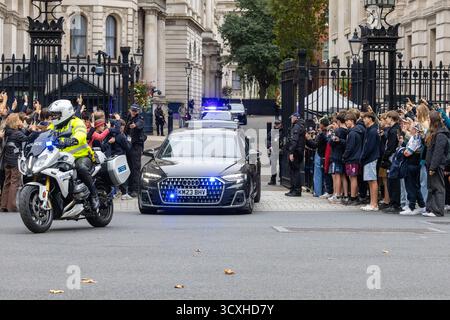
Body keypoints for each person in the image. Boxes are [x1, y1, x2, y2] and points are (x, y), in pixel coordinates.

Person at [47, 100, 99, 211]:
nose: (53, 117)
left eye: (56, 114)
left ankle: (94, 195)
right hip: (62, 158)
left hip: (81, 156)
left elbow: (81, 134)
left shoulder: (77, 122)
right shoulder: (53, 126)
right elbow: (45, 135)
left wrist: (72, 140)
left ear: (64, 113)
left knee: (81, 168)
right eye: (52, 114)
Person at [0, 114, 38, 212]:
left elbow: (23, 134)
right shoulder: (16, 133)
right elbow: (27, 139)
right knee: (14, 182)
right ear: (15, 122)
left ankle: (3, 205)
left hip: (6, 160)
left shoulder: (7, 132)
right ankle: (12, 206)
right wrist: (33, 131)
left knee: (7, 182)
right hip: (14, 159)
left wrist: (28, 130)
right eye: (18, 120)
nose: (20, 121)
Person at [423, 111, 450, 217]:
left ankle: (438, 210)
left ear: (433, 121)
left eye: (429, 119)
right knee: (431, 187)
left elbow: (438, 152)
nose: (428, 121)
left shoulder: (441, 134)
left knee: (438, 187)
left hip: (437, 165)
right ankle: (430, 208)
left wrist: (433, 167)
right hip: (431, 164)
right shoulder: (435, 133)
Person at [400, 123, 426, 216]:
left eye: (412, 128)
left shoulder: (416, 138)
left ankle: (411, 206)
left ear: (416, 130)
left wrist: (403, 151)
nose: (410, 129)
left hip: (412, 163)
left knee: (411, 186)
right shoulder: (414, 137)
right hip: (413, 163)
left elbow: (408, 153)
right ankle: (422, 205)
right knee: (415, 186)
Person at [360, 112, 381, 211]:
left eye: (365, 118)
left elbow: (370, 146)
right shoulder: (370, 130)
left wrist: (363, 156)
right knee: (370, 180)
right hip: (369, 158)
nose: (363, 120)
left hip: (371, 158)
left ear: (370, 119)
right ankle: (372, 203)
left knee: (372, 180)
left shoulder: (372, 131)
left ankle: (374, 204)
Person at [382, 111, 402, 213]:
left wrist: (385, 156)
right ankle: (393, 202)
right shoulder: (395, 129)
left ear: (391, 118)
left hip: (392, 156)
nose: (386, 120)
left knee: (393, 180)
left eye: (387, 118)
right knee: (391, 180)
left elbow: (391, 146)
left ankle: (395, 203)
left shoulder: (394, 130)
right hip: (392, 156)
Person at [343, 112, 364, 206]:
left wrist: (344, 156)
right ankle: (354, 196)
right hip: (356, 157)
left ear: (352, 121)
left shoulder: (352, 133)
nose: (346, 123)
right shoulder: (358, 131)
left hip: (352, 158)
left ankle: (353, 197)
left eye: (347, 121)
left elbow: (350, 147)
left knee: (353, 177)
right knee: (353, 177)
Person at [125, 104, 146, 198]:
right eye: (132, 110)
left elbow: (140, 124)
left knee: (135, 168)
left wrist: (135, 125)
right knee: (129, 167)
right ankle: (129, 189)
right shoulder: (129, 117)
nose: (133, 112)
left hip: (136, 146)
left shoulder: (139, 118)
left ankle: (135, 190)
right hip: (129, 145)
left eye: (135, 111)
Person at [306, 117, 329, 197]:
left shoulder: (322, 134)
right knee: (323, 175)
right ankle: (321, 191)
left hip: (319, 155)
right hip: (324, 155)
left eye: (320, 123)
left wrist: (308, 139)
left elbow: (315, 145)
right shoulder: (327, 133)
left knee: (318, 174)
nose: (319, 124)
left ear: (322, 124)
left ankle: (317, 192)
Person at [328, 112, 348, 204]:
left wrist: (332, 138)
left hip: (336, 155)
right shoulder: (347, 130)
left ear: (339, 121)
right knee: (343, 176)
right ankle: (346, 194)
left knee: (337, 175)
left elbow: (331, 143)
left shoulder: (338, 131)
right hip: (344, 155)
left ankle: (337, 194)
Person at [285, 112, 305, 197]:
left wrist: (291, 152)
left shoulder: (297, 126)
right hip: (298, 151)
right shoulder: (301, 126)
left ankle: (296, 190)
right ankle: (293, 189)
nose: (291, 119)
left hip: (296, 152)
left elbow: (294, 141)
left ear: (296, 117)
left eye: (292, 117)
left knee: (295, 171)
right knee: (294, 171)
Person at [267, 119, 283, 185]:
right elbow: (267, 139)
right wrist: (269, 146)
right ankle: (273, 179)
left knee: (282, 165)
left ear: (280, 124)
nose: (276, 125)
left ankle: (282, 178)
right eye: (275, 124)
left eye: (278, 124)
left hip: (281, 149)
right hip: (273, 149)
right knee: (273, 165)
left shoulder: (283, 131)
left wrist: (282, 148)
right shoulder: (272, 131)